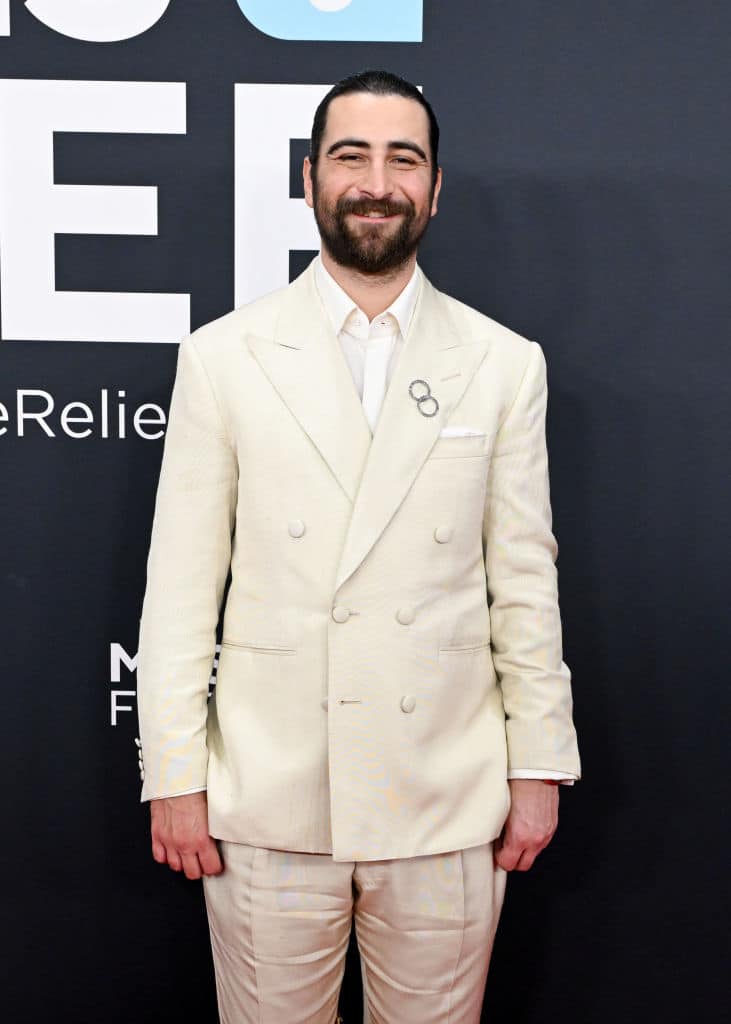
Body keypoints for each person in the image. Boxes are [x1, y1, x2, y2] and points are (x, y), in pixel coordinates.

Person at [135, 69, 581, 1024]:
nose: (375, 181)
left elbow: (523, 581)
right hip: (269, 796)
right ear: (309, 179)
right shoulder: (223, 356)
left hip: (444, 796)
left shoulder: (503, 365)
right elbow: (179, 587)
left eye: (402, 159)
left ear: (433, 186)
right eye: (351, 156)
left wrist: (536, 764)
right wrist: (173, 776)